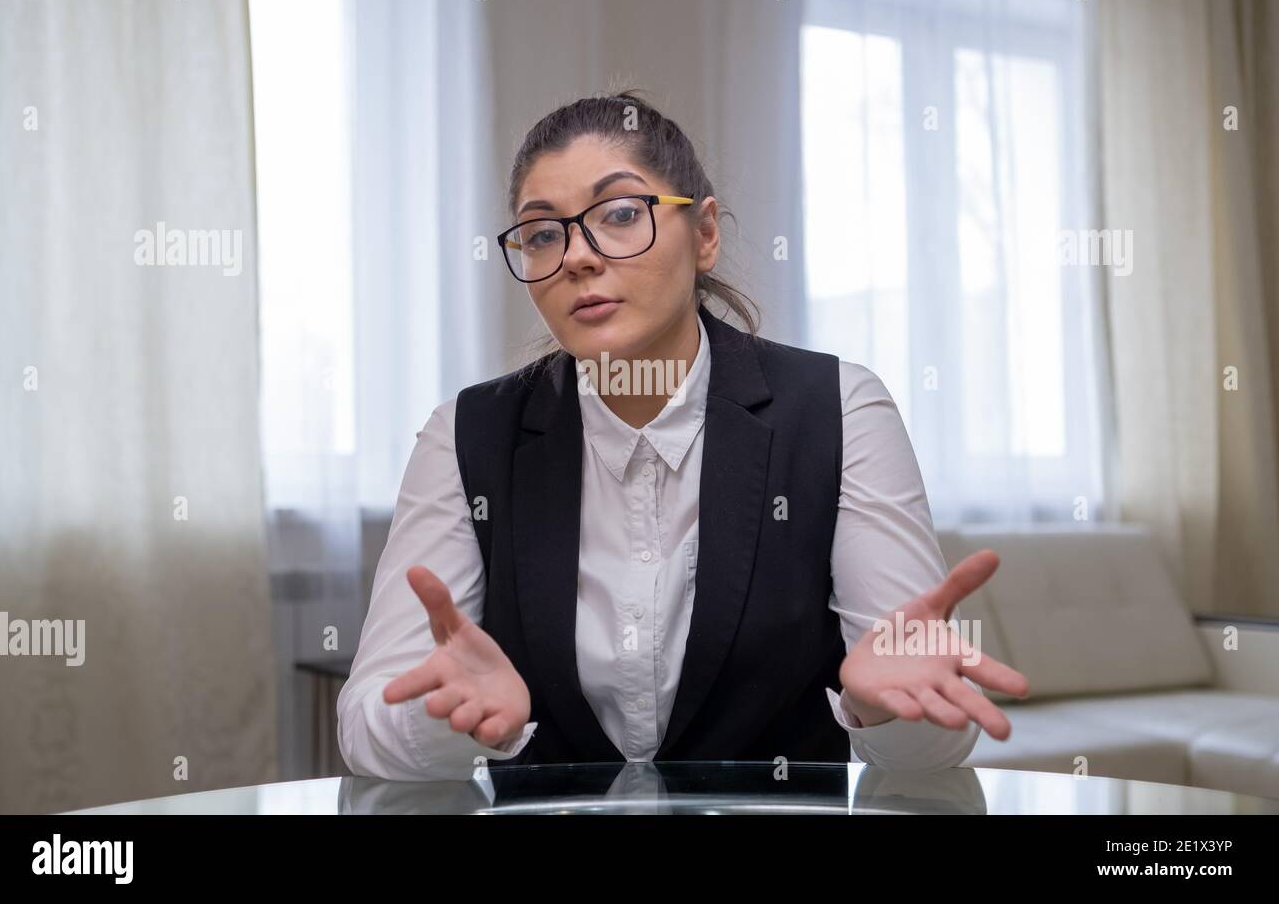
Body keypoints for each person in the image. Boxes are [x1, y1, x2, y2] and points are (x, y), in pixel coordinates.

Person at [336, 90, 1029, 780]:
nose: (576, 257)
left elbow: (933, 754)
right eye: (543, 233)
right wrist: (449, 721)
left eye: (619, 215)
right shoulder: (466, 435)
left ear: (704, 235)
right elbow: (365, 729)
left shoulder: (840, 410)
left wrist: (891, 710)